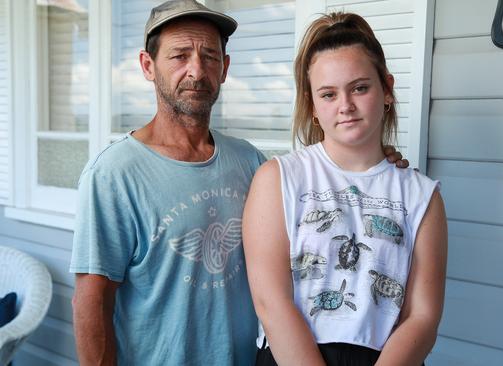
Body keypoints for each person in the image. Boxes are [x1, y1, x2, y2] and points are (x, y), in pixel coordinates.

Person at [69, 1, 408, 365]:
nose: (196, 70)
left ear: (225, 68)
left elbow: (321, 193)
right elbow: (92, 300)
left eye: (210, 56)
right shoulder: (114, 173)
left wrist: (375, 165)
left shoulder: (249, 162)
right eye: (179, 56)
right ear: (147, 66)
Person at [242, 12, 448, 366]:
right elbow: (270, 301)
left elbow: (423, 317)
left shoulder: (421, 196)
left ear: (387, 90)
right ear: (312, 105)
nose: (346, 106)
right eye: (328, 94)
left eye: (360, 88)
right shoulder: (278, 178)